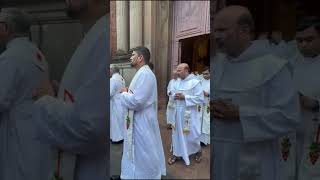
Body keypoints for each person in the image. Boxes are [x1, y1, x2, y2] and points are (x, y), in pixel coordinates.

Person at [212, 5, 300, 180]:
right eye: (215, 30)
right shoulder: (216, 65)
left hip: (255, 162)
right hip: (218, 158)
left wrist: (240, 113)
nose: (216, 36)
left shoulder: (274, 67)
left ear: (244, 31)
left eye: (222, 30)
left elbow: (289, 117)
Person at [31, 0, 109, 180]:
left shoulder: (104, 35)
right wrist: (63, 97)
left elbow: (90, 127)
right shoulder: (96, 33)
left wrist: (46, 99)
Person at [0, 8, 52, 180]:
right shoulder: (36, 53)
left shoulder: (9, 57)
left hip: (17, 133)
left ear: (5, 28)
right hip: (36, 129)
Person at [119, 46, 166, 179]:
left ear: (140, 58)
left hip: (142, 121)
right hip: (138, 120)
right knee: (139, 151)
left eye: (133, 55)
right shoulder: (141, 73)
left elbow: (137, 102)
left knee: (144, 151)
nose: (130, 57)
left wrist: (123, 94)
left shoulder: (145, 74)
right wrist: (129, 92)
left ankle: (147, 175)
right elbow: (138, 95)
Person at [291, 16, 320, 180]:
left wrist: (316, 104)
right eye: (299, 40)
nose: (303, 44)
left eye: (309, 39)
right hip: (291, 135)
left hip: (316, 134)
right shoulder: (289, 64)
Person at [168, 63, 204, 166]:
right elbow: (172, 93)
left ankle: (198, 151)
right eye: (177, 70)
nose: (177, 72)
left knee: (192, 134)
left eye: (179, 70)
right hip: (177, 113)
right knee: (176, 134)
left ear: (186, 70)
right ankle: (176, 153)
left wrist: (185, 97)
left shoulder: (195, 82)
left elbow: (200, 98)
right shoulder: (176, 82)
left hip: (189, 114)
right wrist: (174, 95)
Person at [110, 65, 125, 143]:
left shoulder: (113, 79)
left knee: (115, 121)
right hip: (121, 101)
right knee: (120, 120)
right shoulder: (121, 78)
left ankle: (116, 138)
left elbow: (110, 92)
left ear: (112, 70)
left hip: (115, 102)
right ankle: (122, 136)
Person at [199, 67, 210, 145]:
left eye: (206, 74)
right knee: (199, 121)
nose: (204, 75)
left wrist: (208, 94)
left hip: (208, 105)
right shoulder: (200, 81)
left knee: (206, 122)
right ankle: (199, 139)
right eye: (203, 74)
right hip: (200, 105)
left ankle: (205, 140)